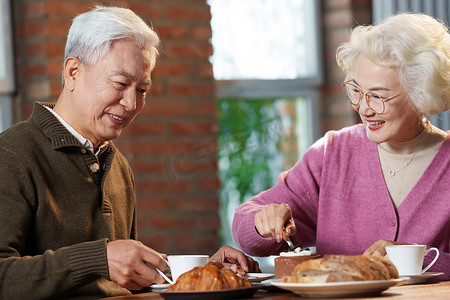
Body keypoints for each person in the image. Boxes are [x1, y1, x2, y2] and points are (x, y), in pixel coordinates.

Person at [0, 6, 259, 299]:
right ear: (73, 72)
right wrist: (98, 259)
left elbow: (125, 279)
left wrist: (203, 274)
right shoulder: (11, 155)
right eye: (121, 83)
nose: (131, 103)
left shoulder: (118, 165)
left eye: (142, 90)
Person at [233, 13, 450, 281]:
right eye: (356, 91)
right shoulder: (333, 152)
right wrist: (261, 221)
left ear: (421, 93)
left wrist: (416, 259)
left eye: (378, 96)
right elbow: (246, 228)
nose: (364, 107)